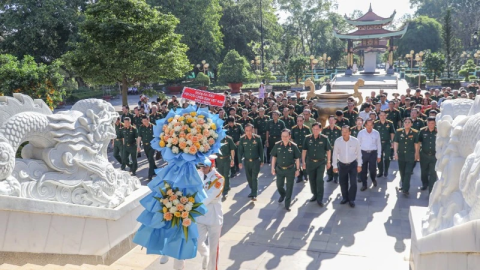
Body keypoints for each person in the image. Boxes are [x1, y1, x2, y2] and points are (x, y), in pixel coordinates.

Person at [169, 156, 224, 270]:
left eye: (205, 166)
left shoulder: (218, 179)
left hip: (214, 217)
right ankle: (205, 254)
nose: (203, 168)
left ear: (211, 165)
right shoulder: (197, 174)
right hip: (200, 217)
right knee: (197, 242)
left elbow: (209, 197)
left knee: (214, 249)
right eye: (201, 166)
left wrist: (190, 206)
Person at [302, 122, 332, 207]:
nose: (315, 131)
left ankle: (320, 198)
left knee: (319, 180)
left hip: (321, 162)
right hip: (310, 162)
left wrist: (328, 161)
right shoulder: (307, 138)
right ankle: (314, 195)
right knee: (312, 179)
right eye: (314, 129)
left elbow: (328, 150)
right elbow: (304, 150)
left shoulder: (324, 138)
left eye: (317, 129)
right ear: (312, 129)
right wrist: (303, 162)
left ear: (320, 130)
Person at [271, 129, 301, 211]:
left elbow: (297, 158)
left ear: (290, 136)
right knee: (279, 185)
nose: (284, 138)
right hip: (280, 169)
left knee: (289, 187)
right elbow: (274, 157)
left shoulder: (293, 146)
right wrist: (272, 167)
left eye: (286, 136)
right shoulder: (277, 145)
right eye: (283, 136)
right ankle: (282, 194)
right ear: (281, 136)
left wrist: (297, 169)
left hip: (290, 169)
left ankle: (287, 204)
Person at [332, 126, 362, 208]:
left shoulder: (355, 141)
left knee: (353, 183)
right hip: (342, 165)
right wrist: (334, 166)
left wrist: (359, 165)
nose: (344, 133)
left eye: (346, 131)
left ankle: (351, 199)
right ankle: (345, 197)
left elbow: (359, 154)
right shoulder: (338, 141)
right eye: (342, 131)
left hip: (352, 164)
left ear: (350, 132)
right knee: (343, 182)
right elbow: (335, 154)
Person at [237, 124, 264, 201]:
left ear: (252, 130)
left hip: (255, 161)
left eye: (250, 130)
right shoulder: (242, 139)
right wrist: (239, 162)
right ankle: (253, 190)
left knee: (254, 178)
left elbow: (261, 150)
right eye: (246, 131)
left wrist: (262, 160)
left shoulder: (257, 138)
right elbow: (240, 151)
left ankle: (254, 194)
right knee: (249, 178)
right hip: (247, 161)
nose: (248, 132)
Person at [393, 117, 420, 196]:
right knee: (402, 171)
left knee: (408, 172)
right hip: (401, 155)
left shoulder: (415, 132)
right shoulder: (399, 132)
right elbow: (396, 142)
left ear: (411, 124)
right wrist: (395, 153)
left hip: (410, 155)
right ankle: (404, 184)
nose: (407, 124)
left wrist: (416, 154)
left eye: (409, 122)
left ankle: (405, 189)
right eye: (405, 122)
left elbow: (416, 144)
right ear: (403, 124)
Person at [357, 119, 382, 191]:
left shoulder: (376, 133)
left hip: (372, 153)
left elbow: (378, 144)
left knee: (372, 170)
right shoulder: (361, 133)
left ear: (373, 125)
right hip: (363, 153)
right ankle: (364, 185)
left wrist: (379, 155)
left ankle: (373, 179)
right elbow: (358, 145)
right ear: (365, 125)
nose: (369, 127)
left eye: (371, 125)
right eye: (368, 125)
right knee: (363, 170)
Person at [419, 117, 438, 193]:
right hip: (424, 155)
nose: (431, 125)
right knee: (424, 171)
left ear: (435, 124)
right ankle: (425, 184)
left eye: (432, 123)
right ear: (427, 123)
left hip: (434, 155)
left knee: (433, 172)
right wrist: (417, 153)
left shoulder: (438, 131)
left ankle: (431, 189)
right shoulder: (422, 131)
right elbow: (419, 142)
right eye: (429, 123)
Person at [374, 111, 395, 178]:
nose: (382, 117)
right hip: (378, 143)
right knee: (379, 157)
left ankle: (386, 171)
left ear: (386, 116)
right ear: (379, 116)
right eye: (381, 115)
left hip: (387, 143)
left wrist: (392, 142)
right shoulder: (375, 124)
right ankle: (380, 171)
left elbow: (392, 133)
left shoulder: (390, 123)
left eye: (384, 115)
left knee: (387, 157)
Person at [291, 115, 311, 183]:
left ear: (303, 121)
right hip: (296, 148)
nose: (299, 122)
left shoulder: (307, 129)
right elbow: (292, 139)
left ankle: (305, 175)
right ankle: (299, 176)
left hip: (304, 149)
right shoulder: (293, 129)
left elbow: (309, 138)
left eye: (301, 121)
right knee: (297, 163)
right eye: (298, 121)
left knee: (304, 162)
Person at [322, 115, 342, 183]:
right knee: (328, 162)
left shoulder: (339, 129)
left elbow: (341, 140)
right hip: (328, 149)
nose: (331, 121)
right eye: (330, 120)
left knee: (336, 163)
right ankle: (330, 176)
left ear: (335, 121)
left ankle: (336, 176)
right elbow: (322, 140)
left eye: (332, 120)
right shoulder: (325, 129)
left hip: (336, 149)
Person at [137, 116, 156, 181]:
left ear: (148, 120)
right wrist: (138, 146)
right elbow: (139, 137)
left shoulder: (153, 126)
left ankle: (150, 175)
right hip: (145, 146)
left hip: (152, 146)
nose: (144, 122)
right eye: (143, 121)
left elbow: (157, 136)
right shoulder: (141, 127)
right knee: (150, 159)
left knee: (150, 159)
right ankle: (154, 169)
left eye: (145, 121)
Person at [217, 135, 236, 199]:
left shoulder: (229, 139)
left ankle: (225, 191)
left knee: (226, 174)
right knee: (220, 175)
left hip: (226, 159)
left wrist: (232, 159)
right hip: (218, 160)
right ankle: (224, 186)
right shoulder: (215, 138)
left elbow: (232, 150)